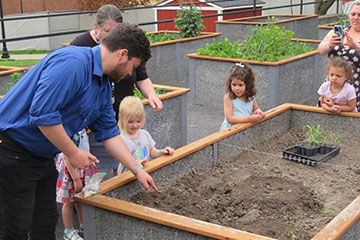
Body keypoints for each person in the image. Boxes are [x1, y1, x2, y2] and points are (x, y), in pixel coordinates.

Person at [0, 23, 158, 240]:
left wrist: (137, 170)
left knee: (45, 223)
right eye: (133, 66)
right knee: (14, 228)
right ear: (123, 54)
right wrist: (73, 153)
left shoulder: (103, 83)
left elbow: (109, 132)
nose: (131, 73)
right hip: (10, 151)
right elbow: (43, 114)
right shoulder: (73, 63)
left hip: (41, 156)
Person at [71, 4, 162, 176]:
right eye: (107, 31)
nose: (130, 73)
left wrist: (151, 95)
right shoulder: (78, 52)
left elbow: (141, 77)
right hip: (89, 122)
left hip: (117, 117)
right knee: (86, 173)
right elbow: (46, 113)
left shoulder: (125, 55)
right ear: (96, 28)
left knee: (115, 166)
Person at [318, 0, 360, 111]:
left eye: (359, 15)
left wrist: (356, 47)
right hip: (332, 84)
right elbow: (321, 49)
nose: (356, 18)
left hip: (355, 88)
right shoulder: (340, 30)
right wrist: (330, 44)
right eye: (353, 14)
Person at [117, 96, 174, 174]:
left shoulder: (145, 134)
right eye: (130, 122)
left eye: (138, 121)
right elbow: (123, 160)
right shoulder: (121, 139)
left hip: (144, 173)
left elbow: (153, 152)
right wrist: (134, 164)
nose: (135, 125)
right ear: (122, 118)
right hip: (127, 177)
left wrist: (163, 152)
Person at [56, 129, 96, 240]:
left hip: (82, 166)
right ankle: (68, 231)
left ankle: (83, 225)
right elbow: (66, 156)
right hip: (71, 170)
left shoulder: (81, 126)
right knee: (69, 202)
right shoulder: (69, 129)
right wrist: (75, 177)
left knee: (80, 198)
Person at [220, 63, 265, 130]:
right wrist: (250, 118)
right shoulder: (229, 97)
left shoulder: (251, 97)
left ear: (248, 85)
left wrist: (259, 112)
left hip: (244, 127)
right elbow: (229, 119)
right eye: (234, 85)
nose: (237, 88)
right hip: (230, 130)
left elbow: (255, 108)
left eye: (240, 85)